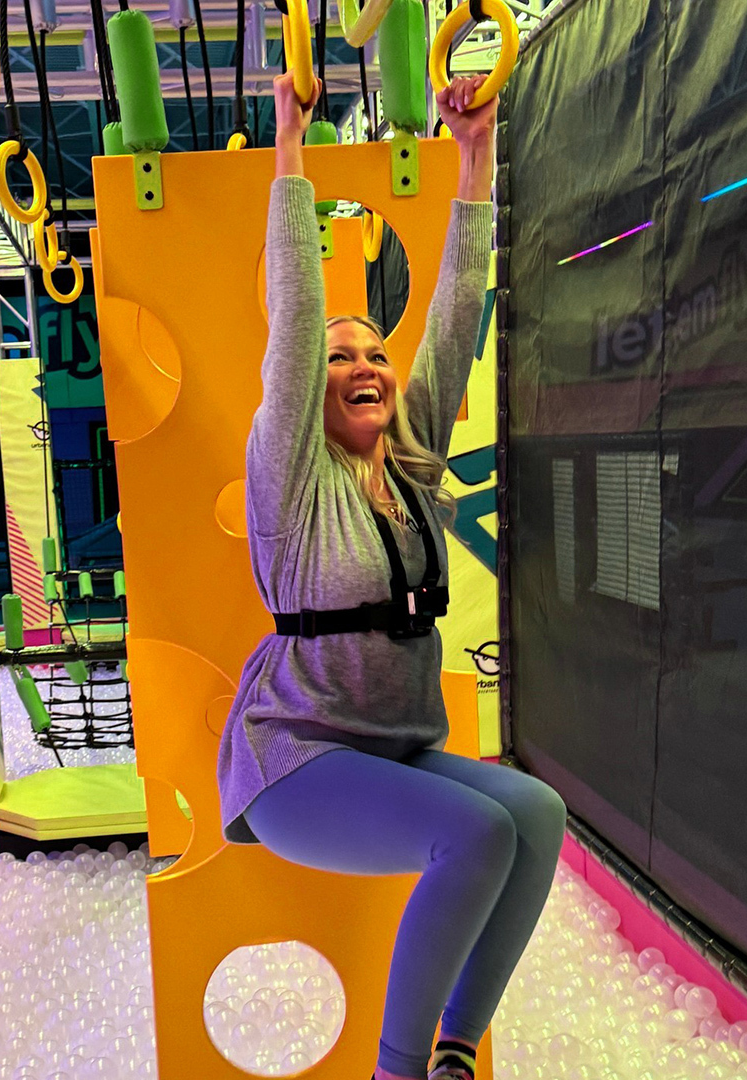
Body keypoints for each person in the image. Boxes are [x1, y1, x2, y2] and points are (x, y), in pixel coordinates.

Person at [216, 69, 567, 1080]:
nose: (364, 362)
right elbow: (293, 319)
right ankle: (399, 1070)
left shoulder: (413, 472)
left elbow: (455, 319)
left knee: (531, 815)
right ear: (302, 392)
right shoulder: (290, 476)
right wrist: (291, 143)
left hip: (397, 750)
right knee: (474, 832)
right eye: (341, 358)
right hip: (297, 765)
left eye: (374, 349)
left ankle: (455, 1050)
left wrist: (473, 159)